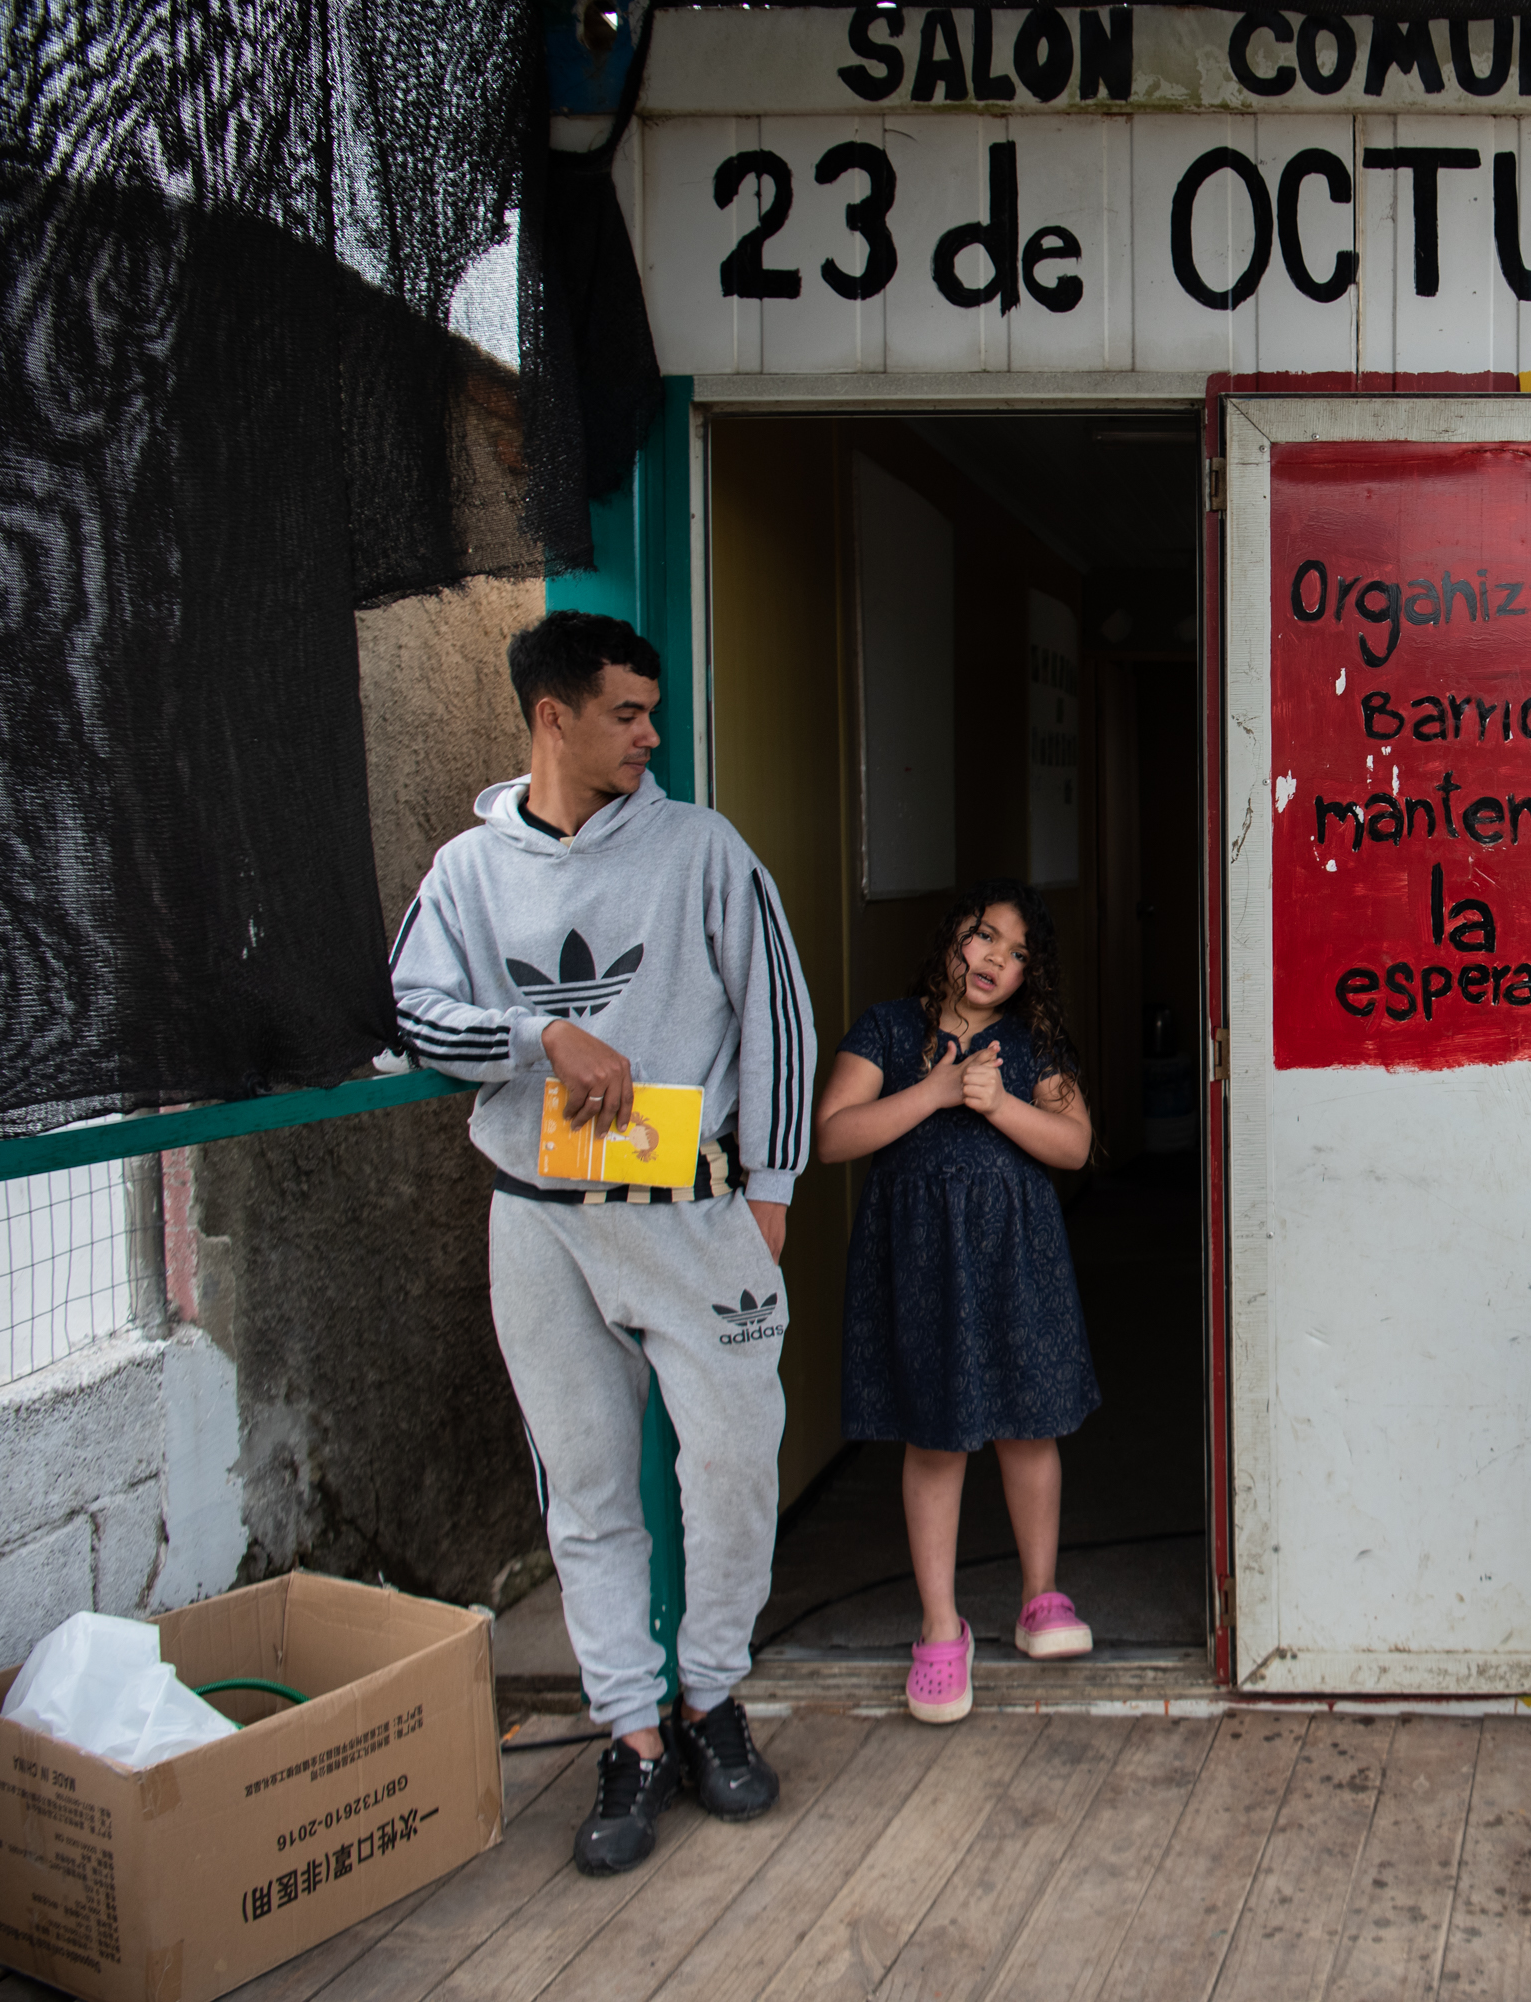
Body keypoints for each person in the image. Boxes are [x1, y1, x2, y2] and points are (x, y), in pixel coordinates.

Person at [392, 610, 816, 1875]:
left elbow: (776, 1016)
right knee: (584, 1490)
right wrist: (541, 1040)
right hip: (538, 1222)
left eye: (654, 712)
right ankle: (630, 1733)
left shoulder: (701, 849)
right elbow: (414, 1006)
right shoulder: (467, 873)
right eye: (626, 713)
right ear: (552, 717)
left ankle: (710, 1701)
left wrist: (771, 1189)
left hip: (691, 1212)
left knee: (733, 1468)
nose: (650, 734)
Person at [816, 880, 1100, 1721]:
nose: (994, 961)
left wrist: (1001, 1103)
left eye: (1017, 955)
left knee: (1028, 1425)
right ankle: (942, 1628)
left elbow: (1076, 1144)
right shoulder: (889, 1029)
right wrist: (936, 1094)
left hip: (1016, 1257)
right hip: (925, 1263)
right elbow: (833, 1134)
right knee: (935, 1440)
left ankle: (1040, 1596)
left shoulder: (1029, 1045)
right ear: (951, 937)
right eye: (984, 937)